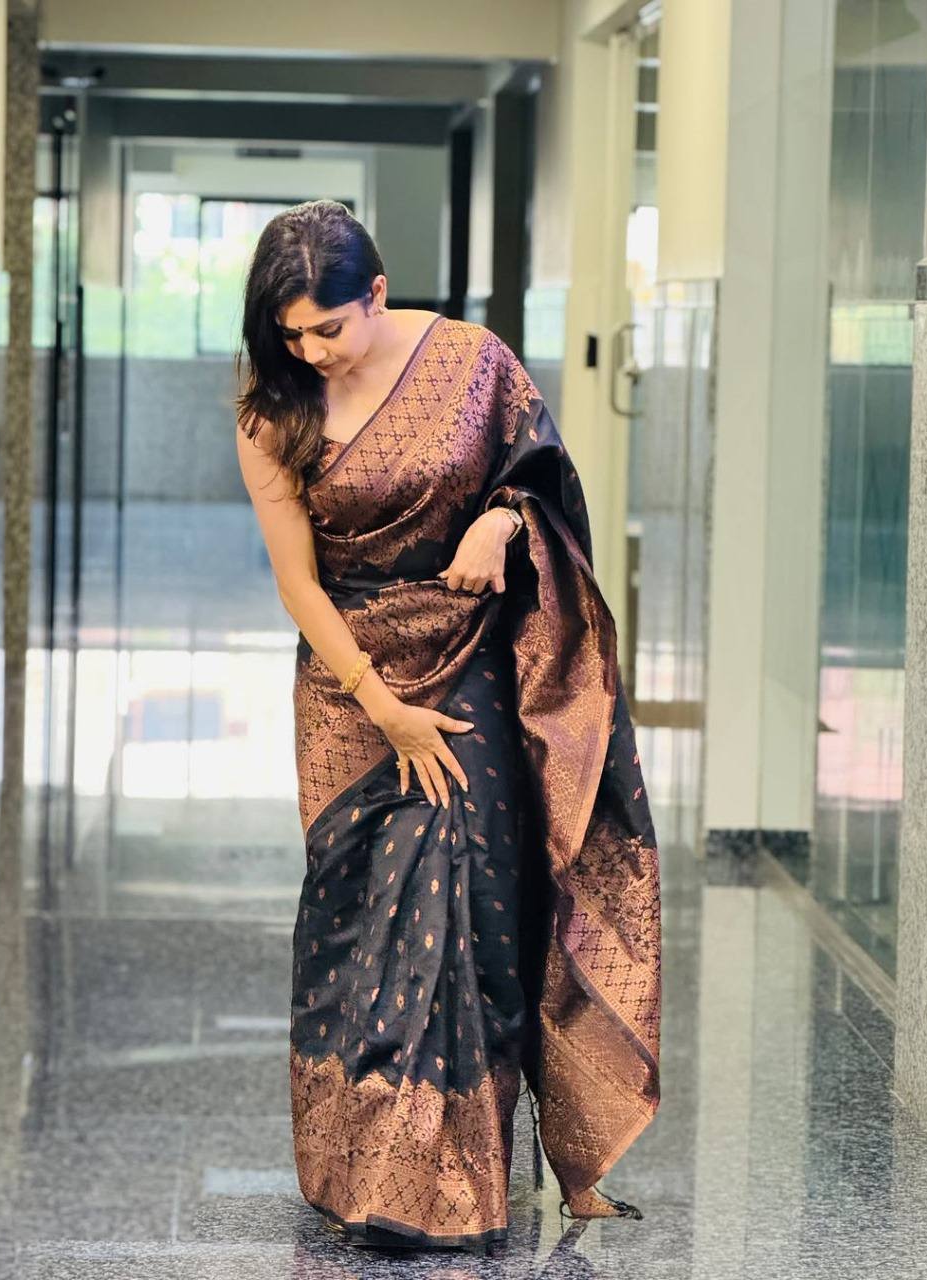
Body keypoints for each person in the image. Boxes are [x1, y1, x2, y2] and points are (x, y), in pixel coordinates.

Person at [235, 198, 661, 1254]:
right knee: (362, 919)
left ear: (377, 293)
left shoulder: (473, 364)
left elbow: (542, 484)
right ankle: (360, 1166)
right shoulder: (272, 409)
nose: (310, 351)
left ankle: (447, 1181)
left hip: (470, 663)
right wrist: (382, 706)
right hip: (351, 684)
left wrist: (500, 521)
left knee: (472, 903)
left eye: (328, 327)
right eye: (290, 334)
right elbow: (298, 583)